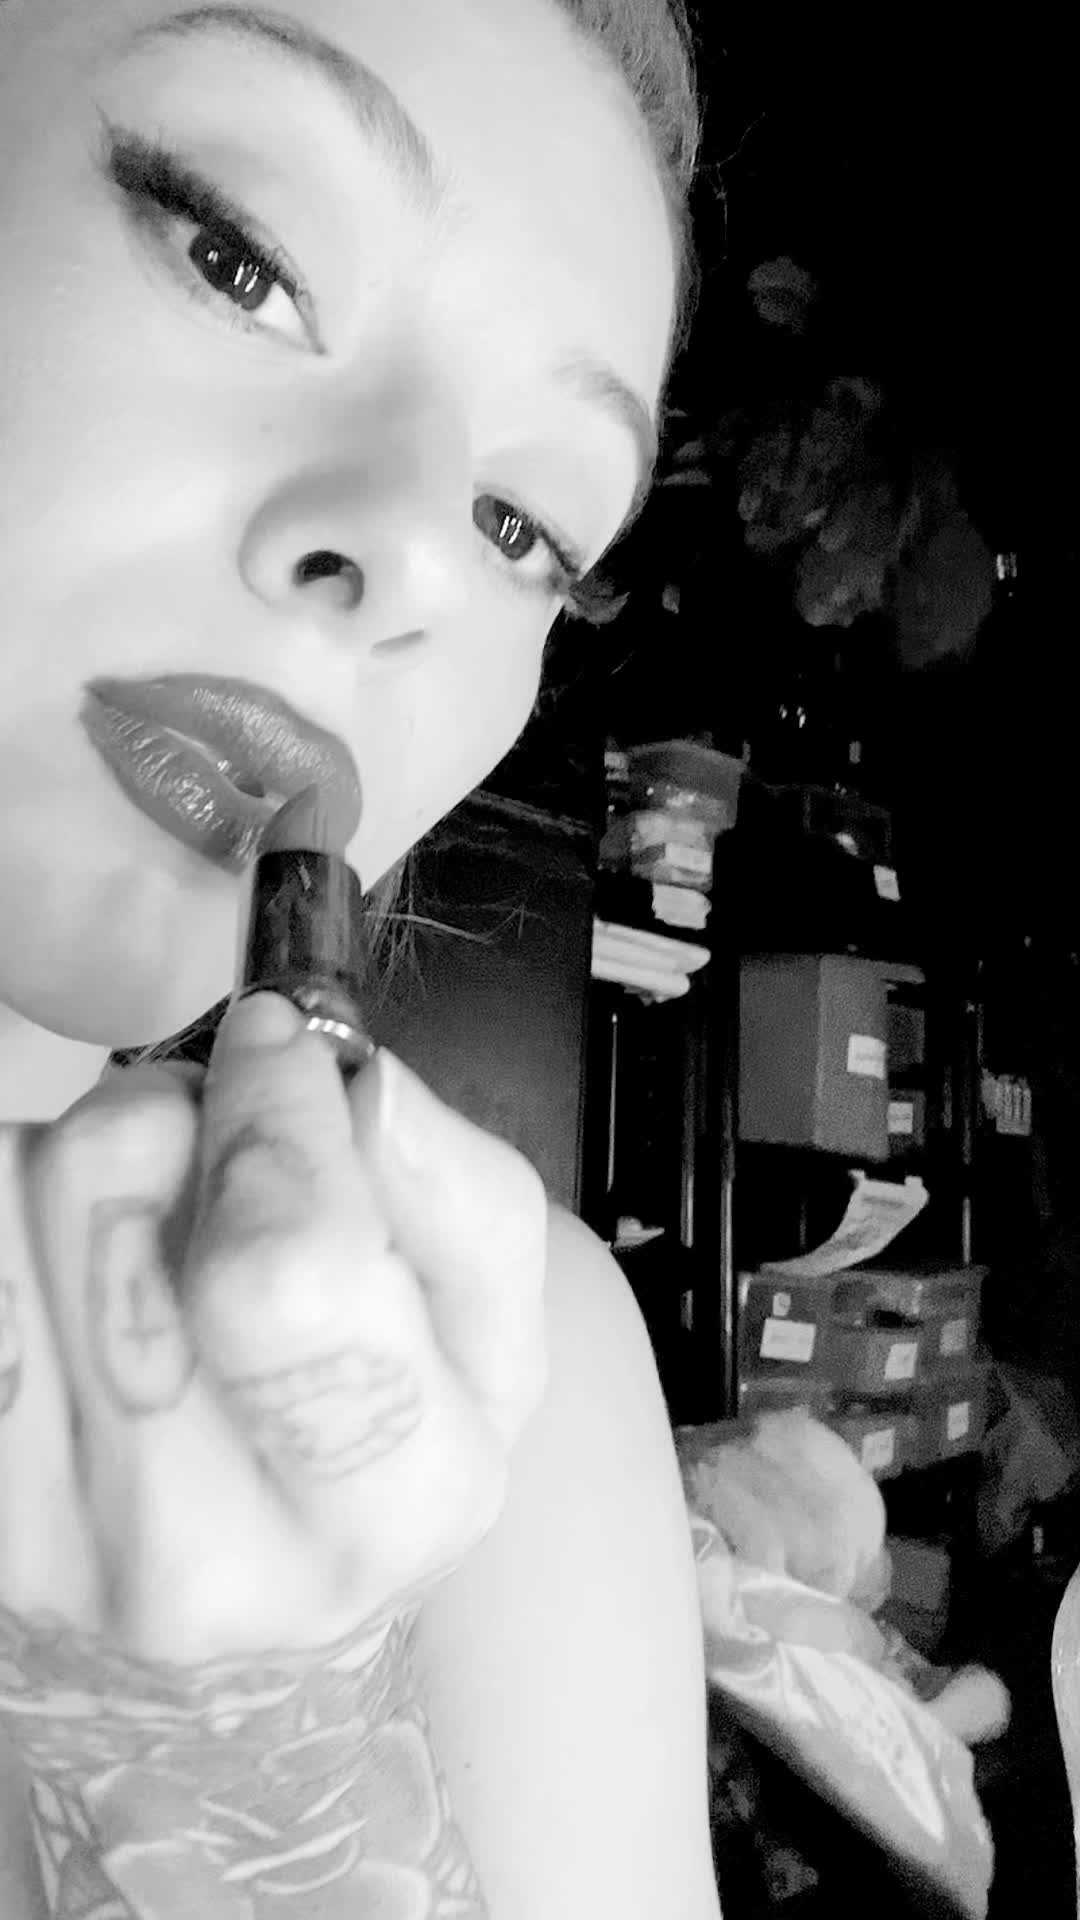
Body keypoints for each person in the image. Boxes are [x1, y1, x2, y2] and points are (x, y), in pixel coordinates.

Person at [0, 1, 721, 1915]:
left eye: (522, 524)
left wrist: (256, 1814)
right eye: (238, 258)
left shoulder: (515, 1426)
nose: (414, 557)